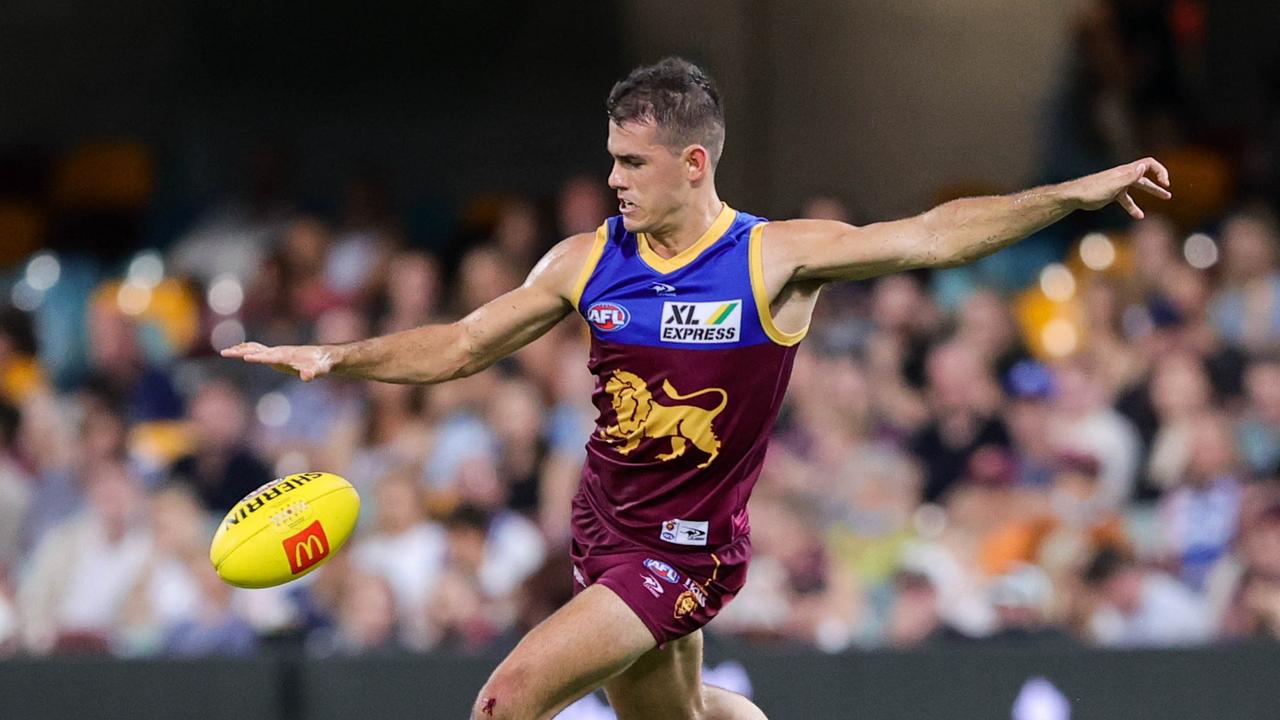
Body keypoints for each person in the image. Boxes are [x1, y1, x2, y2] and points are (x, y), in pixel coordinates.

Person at [222, 57, 1172, 720]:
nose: (613, 178)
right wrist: (339, 358)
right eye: (611, 157)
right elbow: (465, 343)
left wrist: (1074, 194)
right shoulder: (587, 260)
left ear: (694, 164)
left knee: (504, 704)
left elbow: (932, 234)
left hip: (687, 551)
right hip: (601, 526)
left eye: (632, 163)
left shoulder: (772, 260)